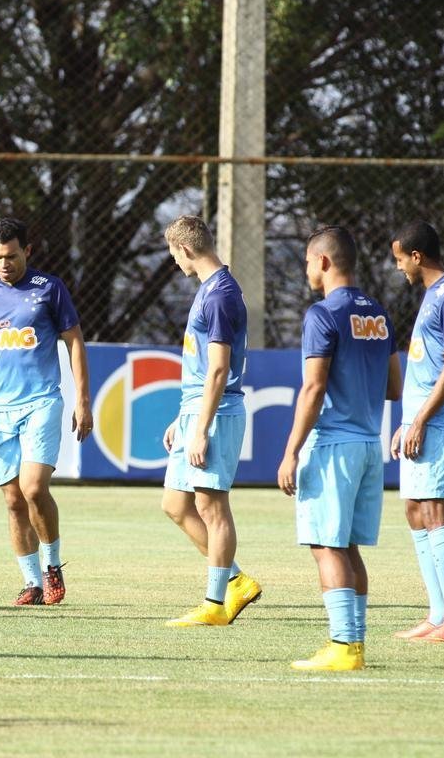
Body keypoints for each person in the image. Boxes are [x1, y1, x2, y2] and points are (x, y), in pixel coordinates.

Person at [0, 217, 92, 606]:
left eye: (10, 256)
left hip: (41, 402)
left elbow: (74, 342)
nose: (2, 264)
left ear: (26, 251)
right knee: (12, 500)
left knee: (33, 488)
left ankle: (53, 565)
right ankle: (31, 583)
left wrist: (83, 399)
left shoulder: (50, 289)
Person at [278, 227, 402, 671]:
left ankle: (342, 647)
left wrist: (291, 451)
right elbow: (395, 387)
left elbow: (313, 388)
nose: (307, 269)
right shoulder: (380, 314)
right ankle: (356, 644)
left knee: (325, 545)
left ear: (325, 262)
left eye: (309, 261)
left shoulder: (322, 314)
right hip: (370, 443)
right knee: (349, 547)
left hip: (334, 443)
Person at [160, 214, 262, 628]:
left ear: (184, 249)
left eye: (173, 253)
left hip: (216, 414)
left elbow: (219, 370)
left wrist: (200, 427)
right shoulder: (210, 290)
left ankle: (215, 603)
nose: (175, 261)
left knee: (210, 506)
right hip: (196, 409)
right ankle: (236, 579)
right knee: (175, 504)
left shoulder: (220, 294)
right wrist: (183, 416)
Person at [389, 221, 444, 643]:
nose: (399, 268)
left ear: (417, 256)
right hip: (420, 420)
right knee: (414, 508)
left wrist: (422, 419)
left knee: (436, 511)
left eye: (399, 259)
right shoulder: (432, 296)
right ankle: (438, 613)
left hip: (440, 422)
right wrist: (407, 421)